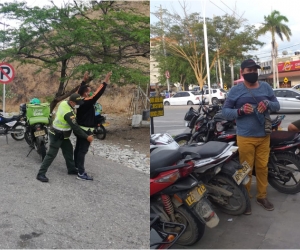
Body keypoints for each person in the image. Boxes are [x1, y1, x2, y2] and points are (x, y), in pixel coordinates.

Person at [222, 59, 280, 215]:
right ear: (242, 72)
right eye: (249, 70)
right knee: (245, 169)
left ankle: (262, 197)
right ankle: (245, 199)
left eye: (255, 70)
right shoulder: (236, 90)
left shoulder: (266, 87)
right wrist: (239, 111)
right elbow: (225, 112)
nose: (253, 73)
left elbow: (277, 105)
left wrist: (267, 103)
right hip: (245, 136)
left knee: (262, 168)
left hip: (264, 135)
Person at [36, 93, 94, 182]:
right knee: (51, 154)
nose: (78, 105)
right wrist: (87, 137)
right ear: (71, 102)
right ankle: (41, 174)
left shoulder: (64, 103)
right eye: (77, 103)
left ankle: (71, 169)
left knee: (68, 150)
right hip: (56, 135)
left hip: (63, 135)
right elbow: (75, 128)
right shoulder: (68, 113)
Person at [74, 71, 112, 181]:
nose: (90, 93)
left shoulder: (77, 99)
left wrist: (83, 81)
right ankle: (81, 173)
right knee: (82, 151)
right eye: (89, 92)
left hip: (79, 128)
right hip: (86, 130)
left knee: (78, 148)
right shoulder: (87, 102)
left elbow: (78, 91)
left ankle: (76, 167)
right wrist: (105, 81)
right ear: (85, 93)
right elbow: (98, 93)